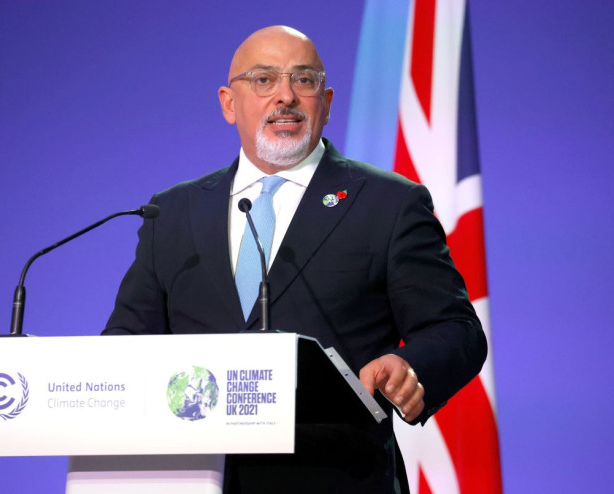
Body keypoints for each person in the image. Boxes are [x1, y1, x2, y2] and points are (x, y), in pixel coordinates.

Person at [103, 25, 487, 493]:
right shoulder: (173, 211)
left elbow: (456, 330)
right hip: (194, 476)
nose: (285, 95)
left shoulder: (386, 202)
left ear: (325, 102)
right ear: (229, 103)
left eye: (303, 80)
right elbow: (125, 344)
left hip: (336, 476)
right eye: (263, 80)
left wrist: (409, 366)